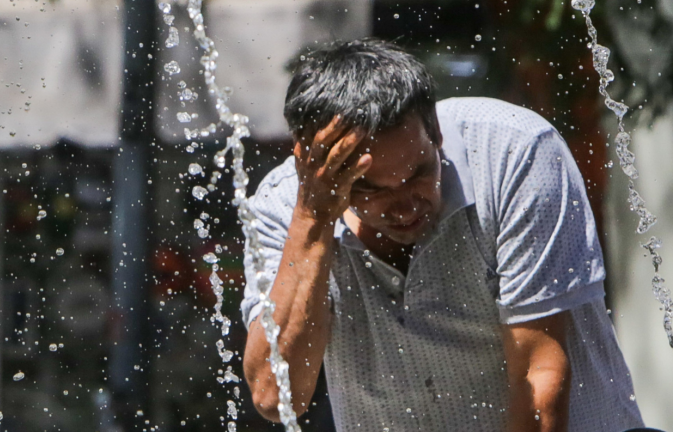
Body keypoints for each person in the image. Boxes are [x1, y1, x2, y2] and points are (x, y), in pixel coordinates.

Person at [240, 39, 646, 431]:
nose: (403, 206)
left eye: (418, 174)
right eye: (370, 190)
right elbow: (275, 396)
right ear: (310, 166)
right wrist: (313, 223)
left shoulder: (514, 154)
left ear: (434, 131)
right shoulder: (283, 208)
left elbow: (540, 381)